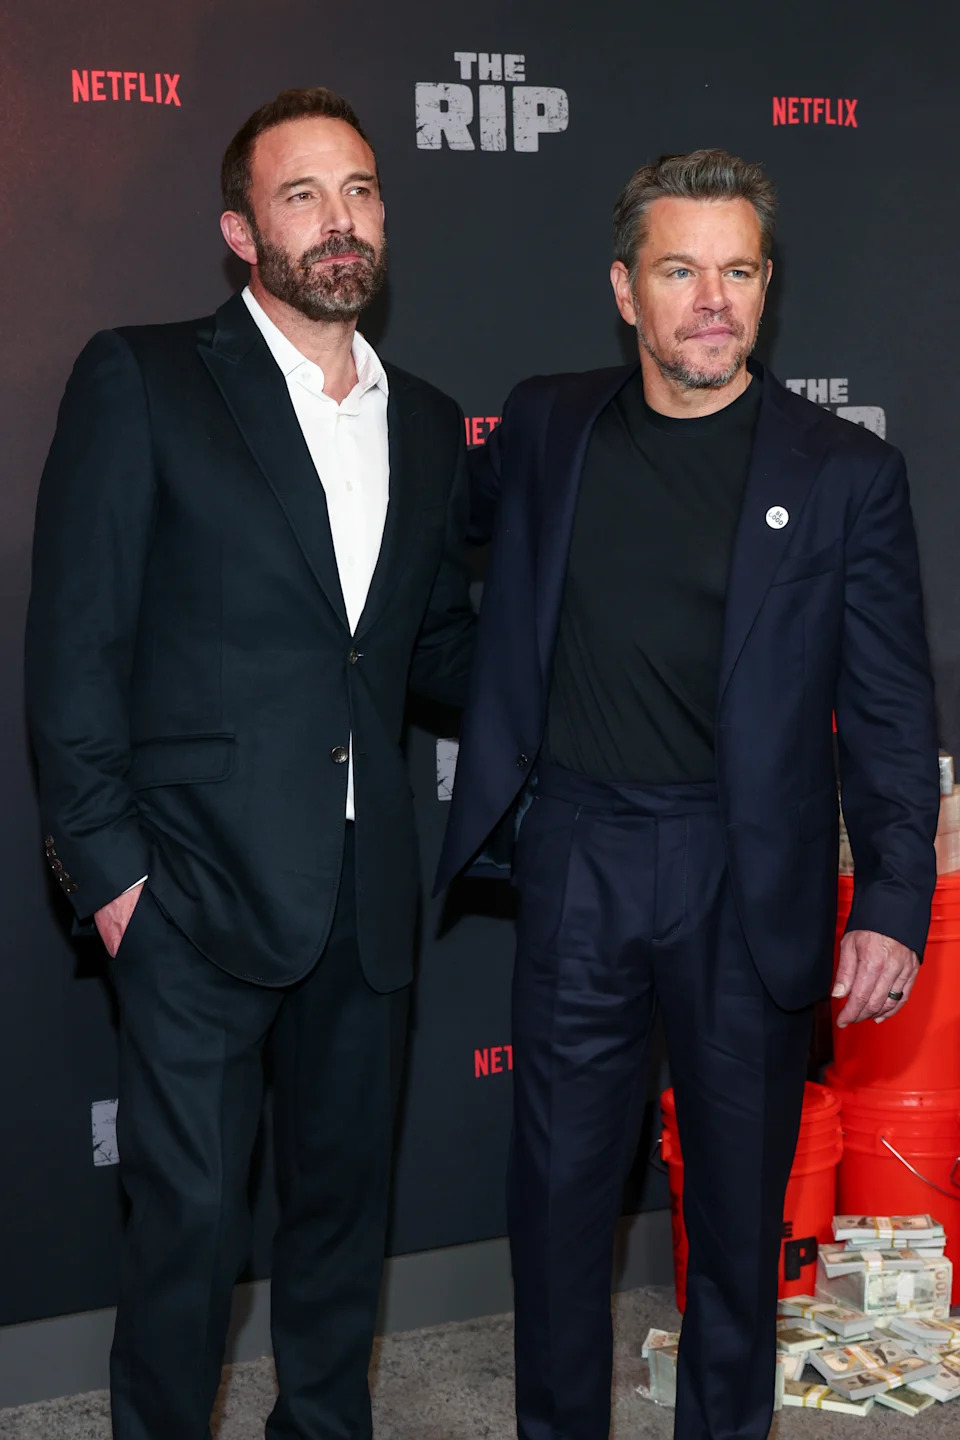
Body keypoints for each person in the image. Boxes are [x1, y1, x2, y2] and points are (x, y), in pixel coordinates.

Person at [437, 149, 939, 1440]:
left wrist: (889, 896)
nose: (711, 300)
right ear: (625, 289)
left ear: (766, 289)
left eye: (737, 271)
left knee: (733, 1225)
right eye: (679, 270)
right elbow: (426, 539)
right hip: (581, 861)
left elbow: (888, 709)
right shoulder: (545, 427)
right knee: (554, 1211)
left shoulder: (844, 476)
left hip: (744, 872)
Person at [26, 87, 474, 1440]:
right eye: (301, 196)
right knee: (188, 1229)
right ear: (240, 229)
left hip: (365, 889)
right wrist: (110, 881)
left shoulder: (433, 419)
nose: (339, 222)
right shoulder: (144, 376)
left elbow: (430, 649)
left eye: (360, 190)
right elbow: (75, 650)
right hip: (194, 893)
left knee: (344, 1213)